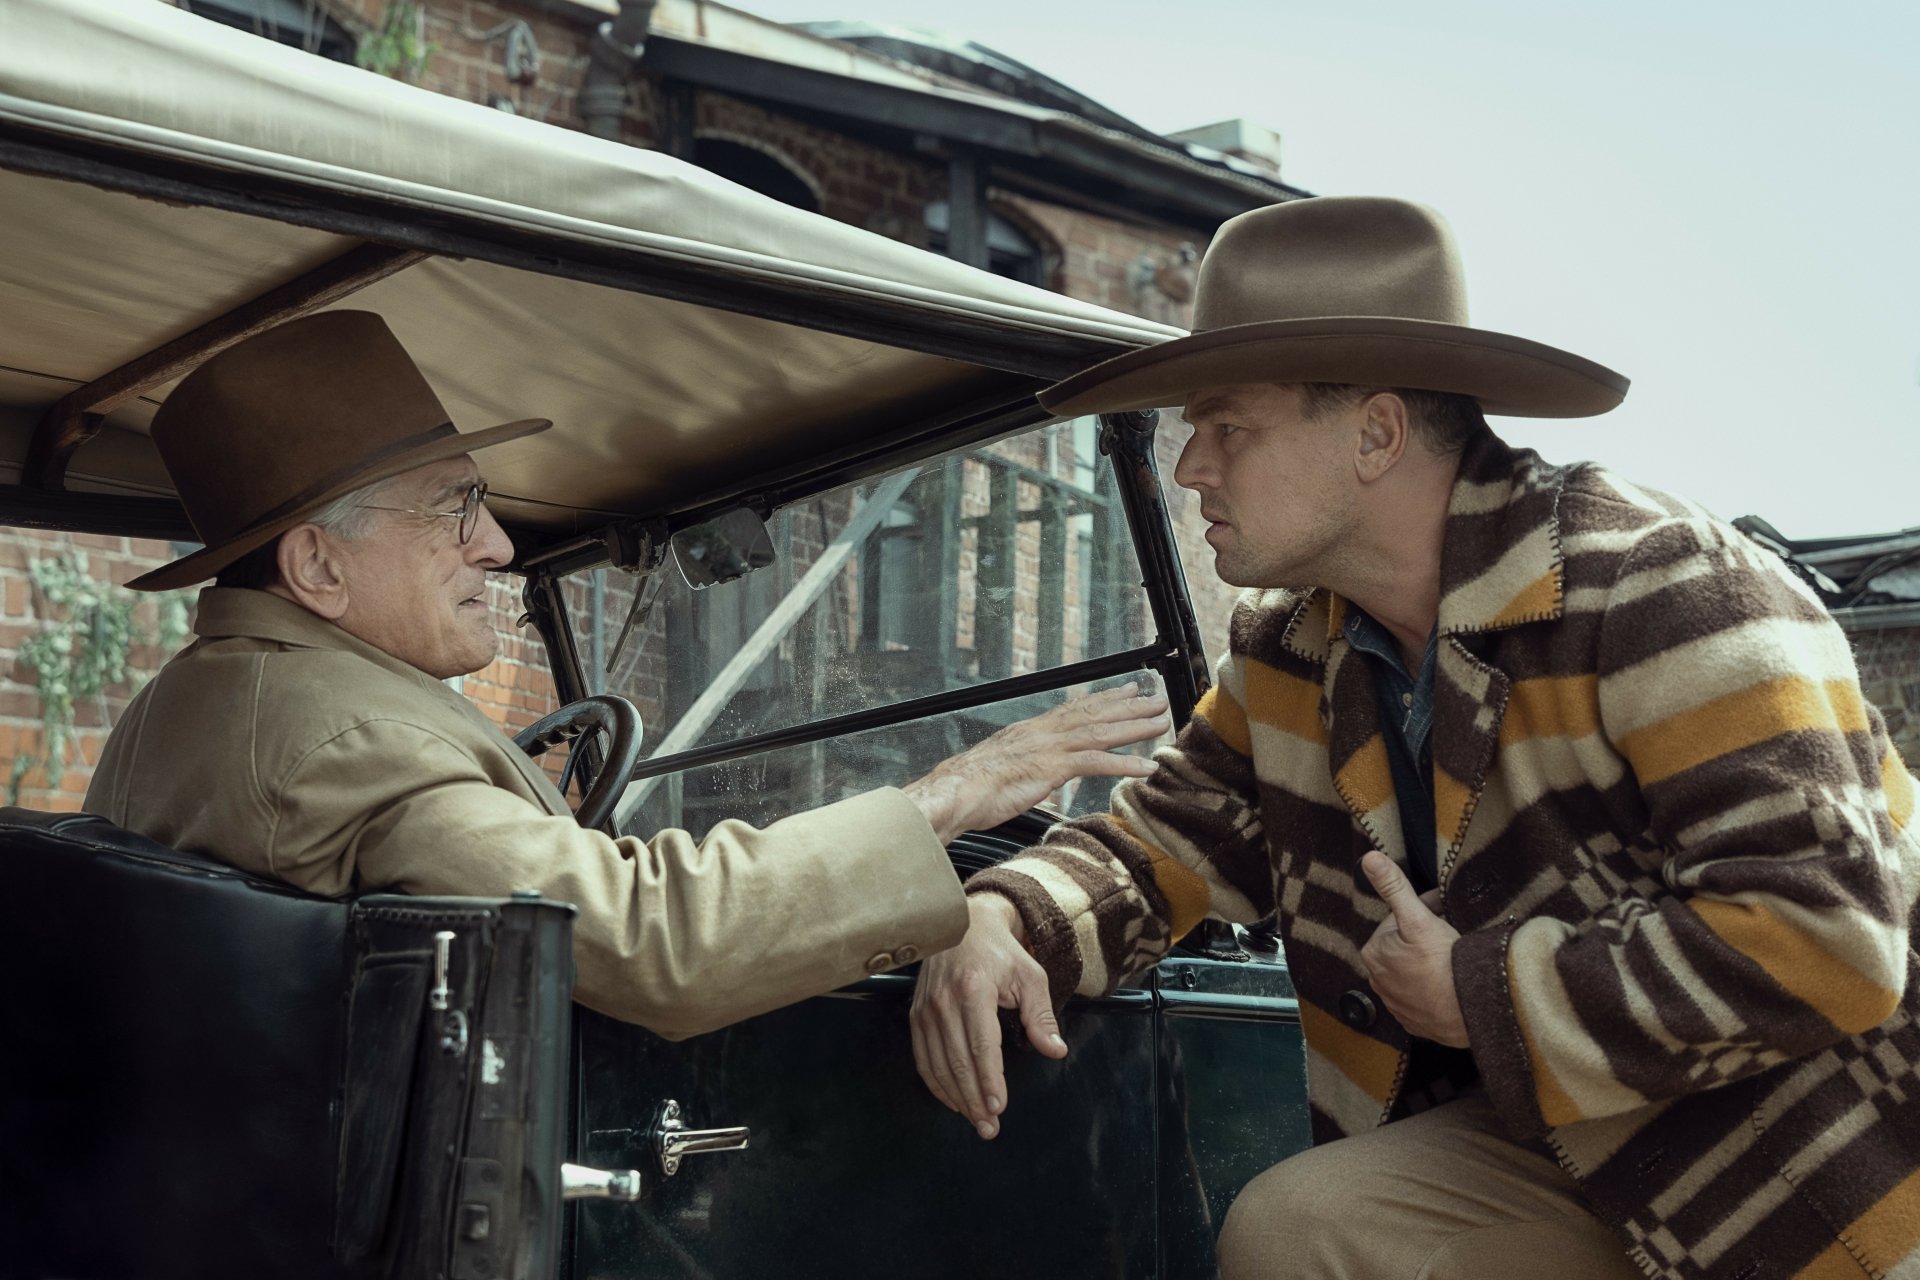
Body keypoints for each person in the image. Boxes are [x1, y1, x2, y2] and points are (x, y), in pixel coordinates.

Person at [909, 197, 1920, 1280]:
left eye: (1229, 427)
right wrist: (1000, 913)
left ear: (1376, 434)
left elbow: (1827, 936)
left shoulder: (1661, 583)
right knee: (1301, 1228)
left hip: (1807, 1173)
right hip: (1564, 1148)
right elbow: (1157, 849)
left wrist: (1488, 991)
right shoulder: (1295, 653)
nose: (1192, 464)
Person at [85, 310, 1170, 1039]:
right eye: (456, 505)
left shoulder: (191, 706)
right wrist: (951, 795)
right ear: (318, 564)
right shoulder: (352, 741)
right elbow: (658, 943)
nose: (499, 546)